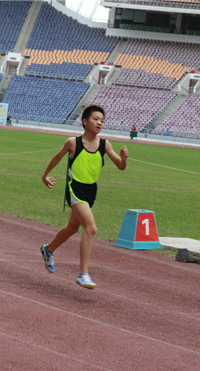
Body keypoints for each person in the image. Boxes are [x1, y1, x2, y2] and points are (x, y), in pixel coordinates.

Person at [40, 105, 128, 289]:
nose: (100, 123)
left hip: (91, 191)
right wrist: (45, 175)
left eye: (102, 120)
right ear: (85, 121)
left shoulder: (105, 144)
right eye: (96, 119)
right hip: (75, 188)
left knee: (72, 228)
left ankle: (48, 250)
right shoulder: (73, 142)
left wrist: (123, 158)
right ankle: (83, 273)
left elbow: (120, 166)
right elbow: (57, 158)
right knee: (91, 228)